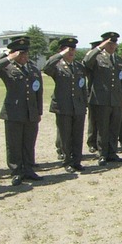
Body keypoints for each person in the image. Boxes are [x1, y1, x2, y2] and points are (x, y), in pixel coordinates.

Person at [0, 36, 43, 186]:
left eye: (25, 54)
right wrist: (7, 56)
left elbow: (39, 91)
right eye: (20, 54)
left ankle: (29, 169)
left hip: (31, 111)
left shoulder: (33, 68)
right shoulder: (7, 67)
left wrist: (39, 111)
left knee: (29, 142)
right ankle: (16, 171)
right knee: (14, 143)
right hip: (14, 111)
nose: (24, 57)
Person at [42, 37, 87, 173]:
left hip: (78, 106)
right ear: (61, 50)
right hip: (63, 106)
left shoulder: (78, 66)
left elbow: (82, 86)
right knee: (65, 135)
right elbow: (46, 67)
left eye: (73, 49)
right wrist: (60, 55)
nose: (71, 52)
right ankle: (67, 161)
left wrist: (84, 103)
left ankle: (77, 160)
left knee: (78, 135)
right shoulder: (57, 66)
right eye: (68, 49)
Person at [83, 32, 122, 166]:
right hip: (101, 100)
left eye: (115, 43)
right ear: (105, 44)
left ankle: (112, 152)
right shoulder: (97, 58)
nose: (113, 46)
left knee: (114, 128)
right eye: (110, 43)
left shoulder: (118, 60)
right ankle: (102, 154)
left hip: (116, 100)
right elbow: (85, 62)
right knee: (103, 128)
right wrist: (99, 48)